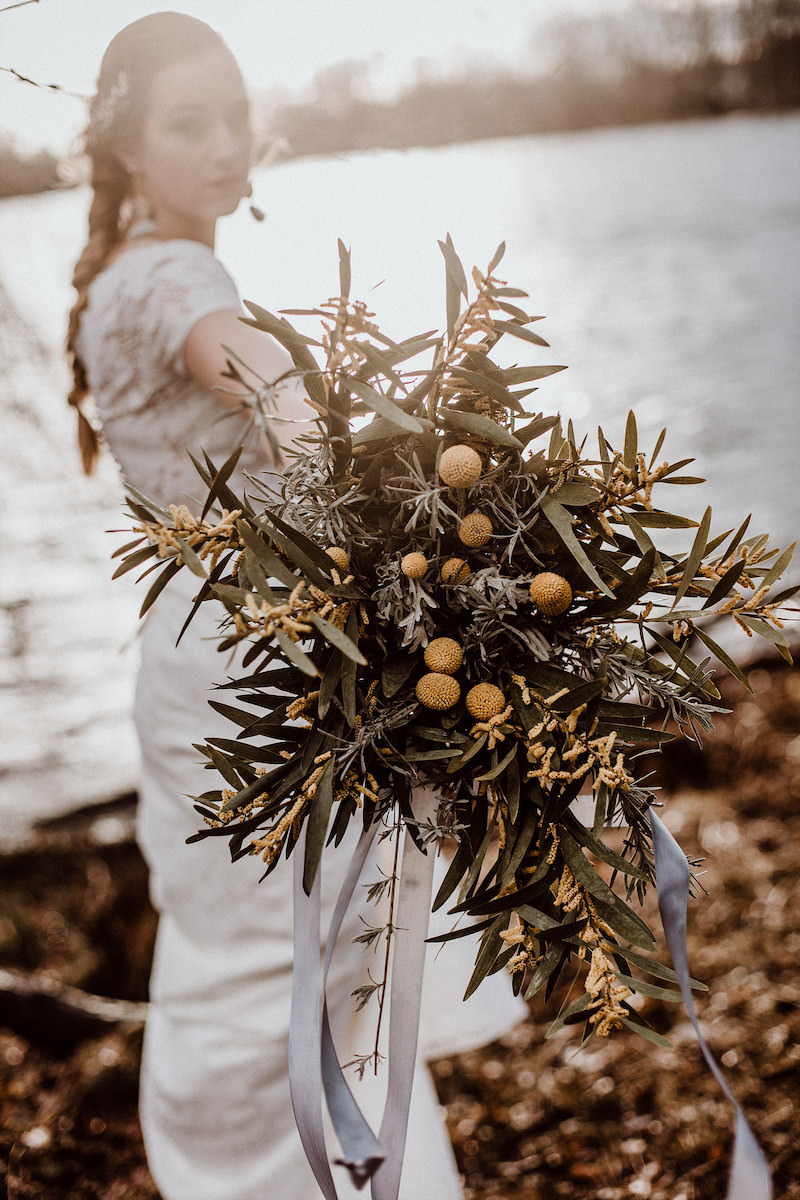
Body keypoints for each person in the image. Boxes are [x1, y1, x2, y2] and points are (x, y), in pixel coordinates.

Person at [67, 14, 525, 1200]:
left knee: (262, 952)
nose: (227, 145)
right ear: (125, 141)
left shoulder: (122, 271)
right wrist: (356, 513)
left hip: (192, 657)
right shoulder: (174, 276)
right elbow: (264, 376)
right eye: (188, 123)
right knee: (301, 954)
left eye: (234, 113)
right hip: (257, 665)